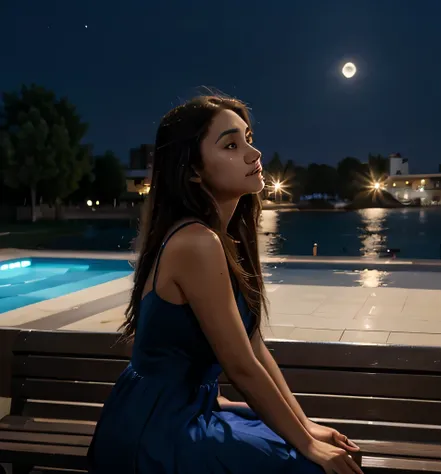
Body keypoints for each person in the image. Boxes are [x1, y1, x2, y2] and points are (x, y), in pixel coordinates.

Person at [87, 95, 362, 474]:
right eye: (232, 145)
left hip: (188, 410)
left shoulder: (223, 239)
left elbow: (252, 344)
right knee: (307, 466)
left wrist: (307, 427)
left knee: (305, 449)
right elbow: (240, 365)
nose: (254, 152)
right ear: (193, 171)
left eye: (248, 138)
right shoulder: (196, 242)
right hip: (157, 428)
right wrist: (308, 445)